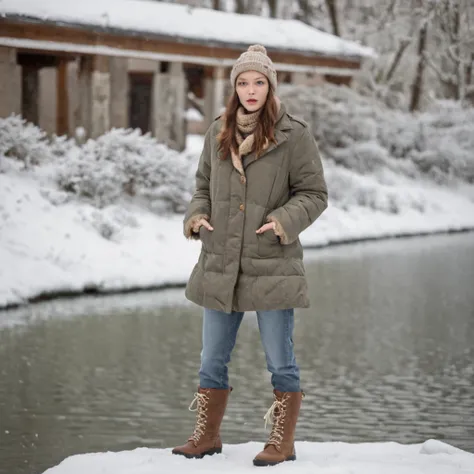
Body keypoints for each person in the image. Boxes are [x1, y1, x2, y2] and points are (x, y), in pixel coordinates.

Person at [172, 44, 328, 467]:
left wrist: (283, 221)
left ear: (270, 86)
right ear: (234, 87)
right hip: (221, 260)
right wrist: (196, 215)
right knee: (211, 359)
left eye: (259, 82)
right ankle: (207, 437)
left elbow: (315, 194)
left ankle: (282, 442)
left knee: (280, 360)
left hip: (271, 262)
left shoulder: (294, 134)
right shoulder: (218, 130)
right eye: (243, 82)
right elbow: (202, 185)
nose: (251, 90)